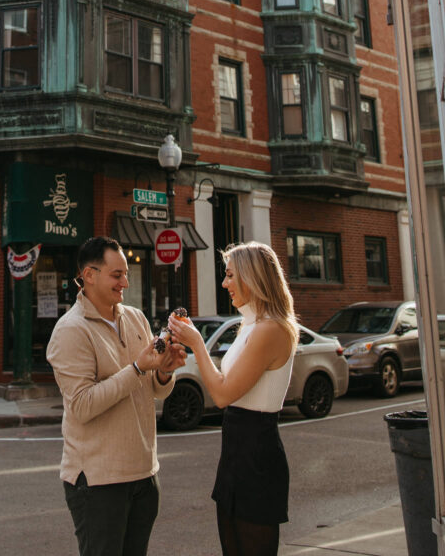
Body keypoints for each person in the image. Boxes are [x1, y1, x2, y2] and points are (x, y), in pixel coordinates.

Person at [46, 236, 187, 556]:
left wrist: (164, 371)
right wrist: (138, 367)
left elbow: (153, 389)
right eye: (117, 274)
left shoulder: (135, 317)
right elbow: (81, 406)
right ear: (89, 275)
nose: (125, 281)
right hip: (97, 482)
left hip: (144, 475)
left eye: (126, 273)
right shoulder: (71, 330)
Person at [168, 241, 299, 556]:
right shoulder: (251, 324)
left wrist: (197, 344)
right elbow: (227, 383)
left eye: (229, 275)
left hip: (257, 453)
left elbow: (223, 394)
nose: (224, 283)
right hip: (235, 452)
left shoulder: (271, 329)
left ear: (251, 277)